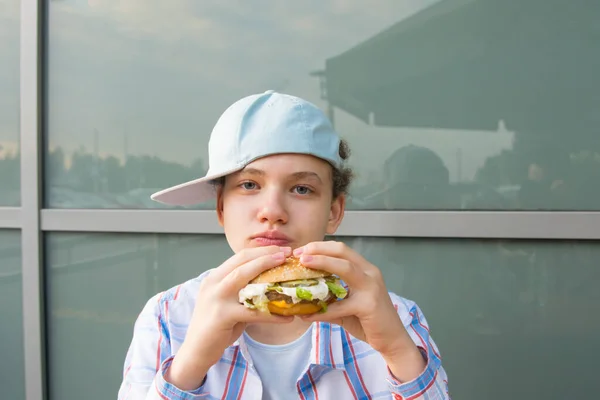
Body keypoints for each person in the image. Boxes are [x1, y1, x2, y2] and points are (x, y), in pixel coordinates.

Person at [117, 90, 450, 399]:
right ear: (221, 207)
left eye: (302, 189)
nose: (273, 212)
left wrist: (396, 349)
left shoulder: (397, 318)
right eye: (249, 184)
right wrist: (188, 366)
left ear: (334, 212)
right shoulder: (166, 317)